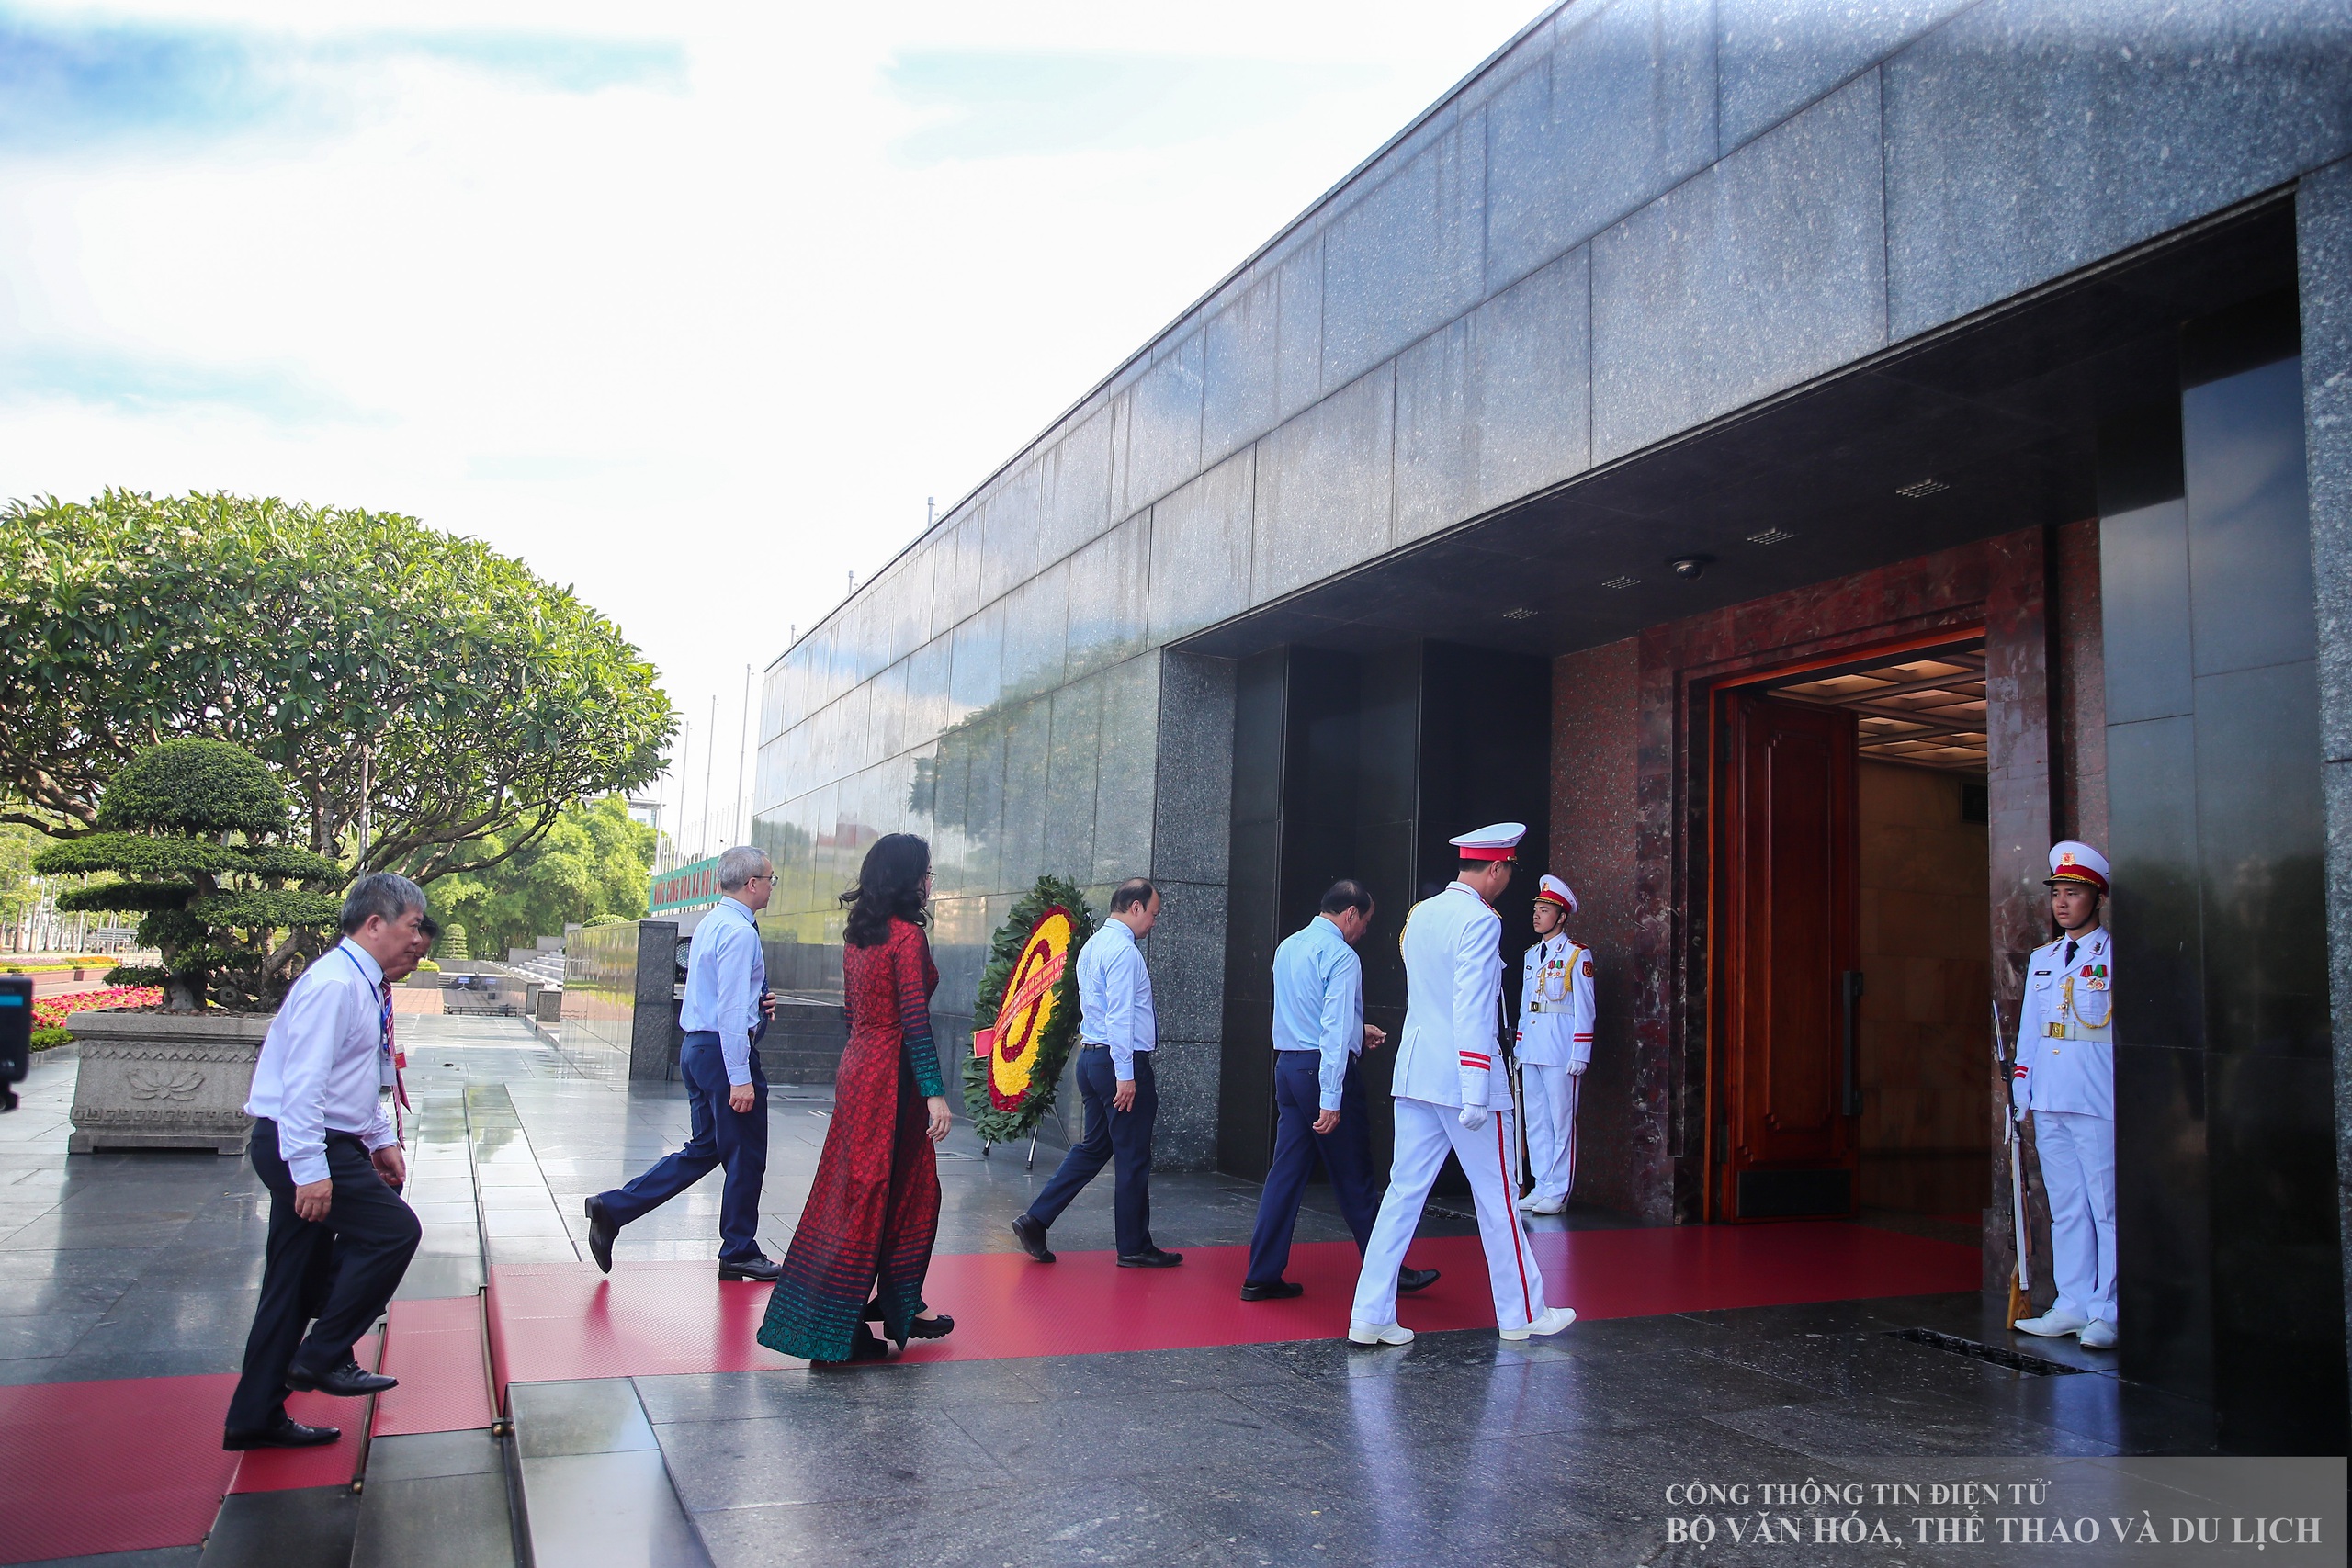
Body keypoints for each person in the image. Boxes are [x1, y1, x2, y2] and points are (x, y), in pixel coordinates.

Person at [1349, 824, 1577, 1347]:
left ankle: (1369, 1313)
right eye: (1509, 871)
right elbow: (1472, 1007)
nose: (1509, 881)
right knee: (1498, 1196)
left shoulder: (1421, 913)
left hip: (1417, 1071)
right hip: (1463, 1078)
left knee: (1402, 1194)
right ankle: (1522, 1313)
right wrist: (1477, 1084)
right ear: (1496, 868)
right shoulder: (1480, 920)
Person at [223, 873, 427, 1450]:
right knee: (392, 1232)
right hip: (303, 1140)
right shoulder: (336, 985)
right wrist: (310, 1170)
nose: (417, 940)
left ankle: (254, 1416)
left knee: (289, 1283)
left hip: (313, 1139)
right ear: (373, 924)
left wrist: (380, 1138)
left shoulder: (358, 983)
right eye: (411, 927)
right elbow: (303, 1086)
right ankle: (324, 1354)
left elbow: (351, 1081)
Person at [759, 834, 953, 1363]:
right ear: (908, 879)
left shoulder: (859, 936)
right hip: (892, 1076)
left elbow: (854, 1012)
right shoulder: (906, 938)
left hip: (860, 1065)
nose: (930, 882)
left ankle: (884, 1308)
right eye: (926, 873)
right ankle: (866, 1316)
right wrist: (934, 1092)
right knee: (902, 1194)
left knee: (855, 1193)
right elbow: (915, 1022)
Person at [586, 845, 780, 1282]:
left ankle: (613, 1208)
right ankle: (739, 1250)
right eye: (770, 878)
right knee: (745, 1156)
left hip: (697, 1048)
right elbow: (729, 1011)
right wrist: (740, 1078)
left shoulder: (714, 922)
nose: (772, 886)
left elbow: (720, 995)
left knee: (705, 1150)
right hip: (722, 1052)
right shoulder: (741, 932)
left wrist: (757, 1003)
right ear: (752, 884)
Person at [1239, 880, 1440, 1302]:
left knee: (1285, 1174)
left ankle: (1261, 1273)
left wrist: (1355, 1030)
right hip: (1323, 1072)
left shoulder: (1289, 946)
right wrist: (1332, 1096)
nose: (1365, 930)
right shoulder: (1342, 956)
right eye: (1365, 921)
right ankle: (1388, 1273)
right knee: (1355, 1178)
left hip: (1289, 1066)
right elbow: (1330, 1031)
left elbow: (1309, 1015)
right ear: (1350, 914)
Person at [1011, 877, 1180, 1268]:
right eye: (1153, 913)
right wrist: (1127, 1075)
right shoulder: (1124, 952)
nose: (1153, 922)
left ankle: (1036, 1219)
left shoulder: (1093, 946)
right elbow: (1120, 1017)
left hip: (1092, 1059)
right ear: (1135, 907)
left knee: (1094, 1147)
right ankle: (1134, 1246)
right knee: (1133, 1156)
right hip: (1119, 1062)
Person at [2010, 840, 2118, 1351]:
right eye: (2057, 894)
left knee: (2106, 1207)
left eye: (2073, 894)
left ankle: (2109, 1309)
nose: (2062, 903)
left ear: (2095, 899)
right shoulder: (2044, 959)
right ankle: (2072, 1302)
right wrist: (2022, 1088)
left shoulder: (2113, 955)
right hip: (2051, 1095)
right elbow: (2030, 1028)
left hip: (2096, 1095)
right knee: (2067, 1207)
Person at [1515, 874, 1595, 1216]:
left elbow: (1585, 1007)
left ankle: (1559, 1190)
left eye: (1544, 910)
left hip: (1561, 1050)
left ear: (1561, 917)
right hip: (1533, 1047)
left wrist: (1581, 1051)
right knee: (1535, 1120)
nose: (1537, 915)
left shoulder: (1577, 955)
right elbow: (1524, 1003)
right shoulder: (1532, 954)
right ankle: (1541, 1184)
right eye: (1536, 908)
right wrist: (1519, 1046)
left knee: (1561, 1121)